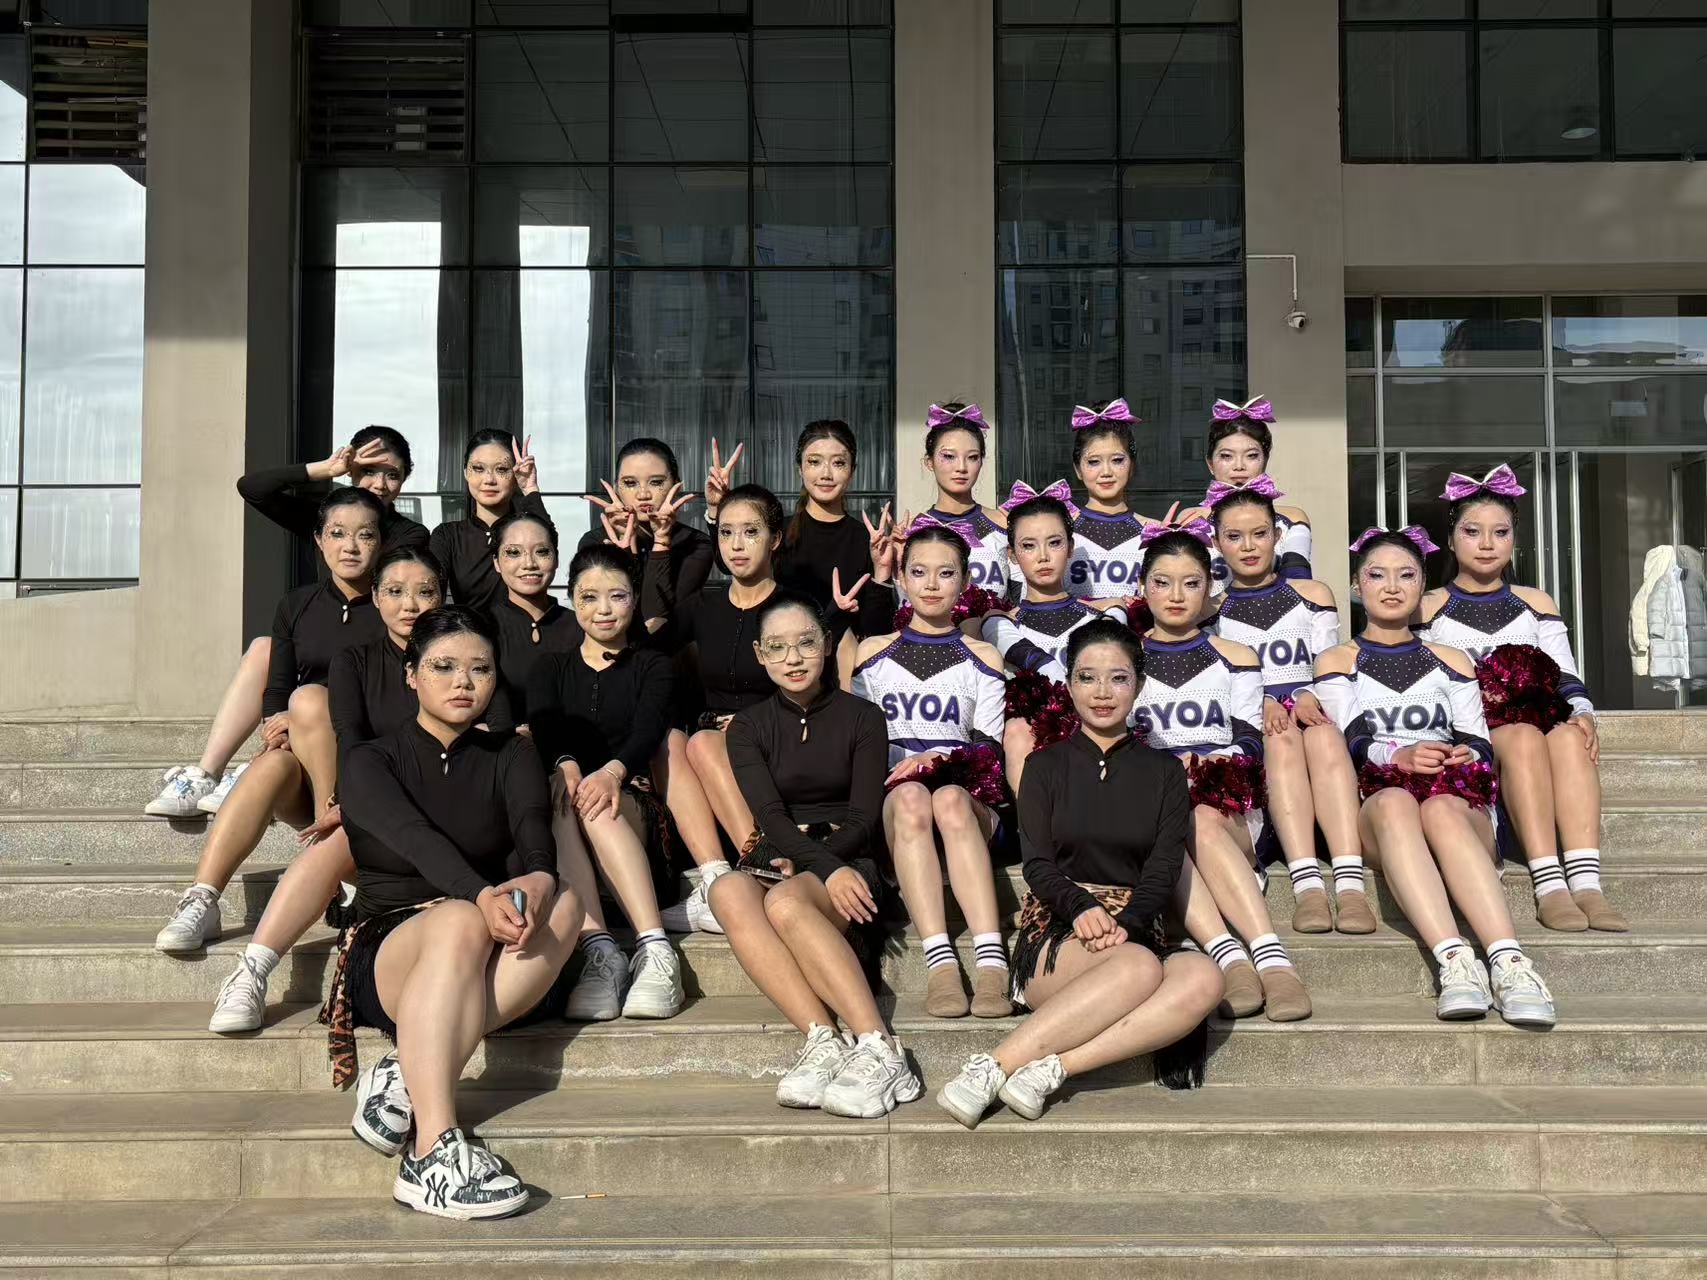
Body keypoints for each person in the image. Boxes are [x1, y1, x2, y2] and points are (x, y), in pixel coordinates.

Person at [323, 605, 580, 1220]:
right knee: (462, 917)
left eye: (480, 669)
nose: (463, 682)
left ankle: (406, 1067)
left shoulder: (511, 753)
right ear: (411, 674)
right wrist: (479, 894)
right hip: (387, 945)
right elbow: (415, 841)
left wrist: (539, 879)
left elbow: (532, 830)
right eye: (443, 667)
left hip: (480, 942)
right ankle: (430, 1152)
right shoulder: (368, 760)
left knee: (566, 901)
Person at [935, 619, 1224, 1128]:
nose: (1102, 692)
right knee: (1138, 969)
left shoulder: (1164, 773)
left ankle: (1053, 1068)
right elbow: (1037, 865)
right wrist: (1082, 908)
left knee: (1203, 976)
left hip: (1135, 930)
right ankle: (992, 1067)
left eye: (1118, 678)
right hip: (1057, 932)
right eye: (1087, 677)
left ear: (1139, 684)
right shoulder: (1044, 766)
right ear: (1069, 685)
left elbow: (1163, 868)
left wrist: (1128, 923)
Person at [1313, 527, 1557, 1027]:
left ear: (1422, 586)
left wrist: (1464, 756)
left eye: (1406, 575)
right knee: (1396, 801)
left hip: (1455, 804)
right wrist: (1399, 755)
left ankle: (1511, 964)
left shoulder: (1451, 659)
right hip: (1382, 808)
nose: (1391, 587)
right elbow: (1355, 740)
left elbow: (1480, 742)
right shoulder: (1337, 660)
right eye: (1376, 575)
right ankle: (1456, 963)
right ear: (1357, 585)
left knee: (1441, 807)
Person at [205, 545, 453, 1033]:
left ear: (442, 597)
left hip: (447, 813)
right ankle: (252, 969)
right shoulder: (354, 662)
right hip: (383, 812)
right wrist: (359, 803)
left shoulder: (462, 657)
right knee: (336, 837)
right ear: (375, 598)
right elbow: (354, 747)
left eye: (425, 592)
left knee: (349, 833)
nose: (410, 605)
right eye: (395, 592)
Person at [144, 426, 426, 819]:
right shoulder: (328, 521)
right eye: (367, 471)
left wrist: (294, 713)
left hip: (362, 673)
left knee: (306, 694)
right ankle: (206, 773)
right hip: (316, 660)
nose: (378, 483)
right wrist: (324, 469)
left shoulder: (407, 536)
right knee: (264, 648)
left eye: (391, 474)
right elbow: (253, 488)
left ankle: (260, 772)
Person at [714, 592, 923, 1117]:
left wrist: (823, 864)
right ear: (760, 654)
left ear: (827, 645)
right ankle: (822, 1038)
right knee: (728, 889)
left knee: (786, 902)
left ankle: (880, 1047)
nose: (793, 658)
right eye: (777, 647)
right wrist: (808, 861)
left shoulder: (864, 717)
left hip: (848, 851)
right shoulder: (748, 727)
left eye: (806, 643)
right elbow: (770, 816)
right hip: (782, 846)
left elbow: (864, 817)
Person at [155, 489, 387, 953]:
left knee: (311, 699)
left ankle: (334, 846)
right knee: (272, 762)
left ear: (381, 541)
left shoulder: (395, 604)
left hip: (369, 766)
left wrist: (307, 711)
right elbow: (276, 689)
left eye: (365, 535)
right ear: (319, 540)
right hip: (311, 760)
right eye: (337, 534)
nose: (350, 546)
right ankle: (203, 897)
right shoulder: (297, 605)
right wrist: (277, 726)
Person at [1417, 466, 1627, 933]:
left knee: (1568, 736)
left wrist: (1583, 713)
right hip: (1471, 739)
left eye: (1500, 532)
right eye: (1472, 532)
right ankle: (1549, 884)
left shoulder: (1536, 601)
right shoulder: (1428, 605)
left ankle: (1587, 883)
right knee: (1523, 735)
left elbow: (1565, 674)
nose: (1486, 544)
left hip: (1535, 729)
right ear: (1450, 539)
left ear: (1514, 539)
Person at [1132, 530, 1312, 1022]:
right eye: (1162, 582)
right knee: (1168, 821)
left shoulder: (1236, 655)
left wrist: (1204, 764)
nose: (1175, 595)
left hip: (1227, 810)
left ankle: (1274, 962)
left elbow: (1250, 743)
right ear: (1142, 586)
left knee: (1200, 818)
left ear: (1209, 589)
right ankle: (1230, 958)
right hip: (1153, 816)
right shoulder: (1123, 659)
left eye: (1190, 583)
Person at [851, 523, 1011, 1018]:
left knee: (946, 797)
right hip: (898, 810)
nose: (932, 584)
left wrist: (937, 761)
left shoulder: (983, 657)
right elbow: (858, 747)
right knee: (913, 796)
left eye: (946, 573)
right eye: (919, 572)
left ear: (965, 580)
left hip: (965, 806)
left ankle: (992, 962)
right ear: (901, 578)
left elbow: (990, 755)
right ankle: (940, 963)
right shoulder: (872, 652)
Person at [528, 544, 684, 1022]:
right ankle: (601, 953)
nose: (603, 609)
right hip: (570, 818)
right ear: (572, 599)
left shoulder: (654, 665)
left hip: (635, 811)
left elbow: (649, 729)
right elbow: (544, 725)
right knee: (563, 793)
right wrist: (567, 763)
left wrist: (612, 772)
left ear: (634, 598)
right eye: (589, 597)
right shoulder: (549, 667)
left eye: (616, 596)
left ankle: (656, 951)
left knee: (590, 801)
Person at [1210, 488, 1376, 936]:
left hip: (1312, 709)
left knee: (1323, 733)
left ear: (1278, 536)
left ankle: (1350, 885)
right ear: (1216, 542)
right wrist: (1261, 699)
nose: (1248, 546)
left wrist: (1307, 690)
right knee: (1281, 738)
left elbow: (1328, 662)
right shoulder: (1211, 608)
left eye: (1259, 533)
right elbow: (1216, 681)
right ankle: (1307, 885)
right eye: (1234, 536)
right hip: (1256, 723)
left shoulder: (1313, 593)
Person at [655, 484, 786, 936]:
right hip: (711, 742)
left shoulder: (791, 606)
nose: (736, 545)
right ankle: (715, 880)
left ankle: (765, 865)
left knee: (703, 743)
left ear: (775, 539)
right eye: (726, 532)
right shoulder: (704, 606)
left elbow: (812, 684)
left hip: (776, 735)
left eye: (750, 531)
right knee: (671, 741)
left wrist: (753, 721)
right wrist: (657, 546)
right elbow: (648, 642)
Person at [704, 421, 893, 660]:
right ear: (800, 469)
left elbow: (878, 631)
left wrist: (883, 571)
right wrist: (716, 508)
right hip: (778, 661)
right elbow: (728, 563)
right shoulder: (778, 531)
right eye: (814, 462)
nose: (826, 474)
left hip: (842, 666)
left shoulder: (868, 540)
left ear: (852, 470)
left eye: (838, 463)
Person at [984, 491, 1126, 793]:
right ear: (1012, 555)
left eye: (1054, 542)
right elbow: (1038, 663)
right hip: (1035, 764)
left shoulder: (1107, 613)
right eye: (1028, 545)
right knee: (1017, 729)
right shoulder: (998, 623)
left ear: (1071, 547)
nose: (1043, 556)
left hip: (1099, 750)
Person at [1179, 396, 1313, 590]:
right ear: (1210, 463)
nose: (1239, 466)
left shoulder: (1292, 518)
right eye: (1227, 456)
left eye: (1251, 456)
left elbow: (1301, 586)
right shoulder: (1191, 519)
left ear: (1265, 460)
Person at [583, 436, 710, 633]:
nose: (643, 495)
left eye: (656, 482)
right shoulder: (594, 542)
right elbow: (610, 619)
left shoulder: (696, 544)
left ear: (676, 484)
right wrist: (627, 547)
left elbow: (655, 623)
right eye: (630, 483)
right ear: (616, 488)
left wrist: (661, 542)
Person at [428, 430, 551, 617]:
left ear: (515, 473)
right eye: (478, 469)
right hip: (470, 633)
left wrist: (530, 489)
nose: (489, 480)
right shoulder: (448, 535)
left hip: (527, 631)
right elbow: (430, 593)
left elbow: (549, 545)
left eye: (501, 469)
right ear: (465, 472)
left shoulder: (528, 530)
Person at [486, 510, 579, 730]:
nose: (529, 563)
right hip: (503, 744)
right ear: (496, 562)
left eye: (542, 552)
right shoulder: (481, 626)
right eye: (513, 553)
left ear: (556, 558)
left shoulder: (581, 625)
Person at [914, 402, 1011, 598]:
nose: (961, 467)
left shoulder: (1004, 525)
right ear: (929, 462)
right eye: (949, 456)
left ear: (981, 462)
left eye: (972, 457)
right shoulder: (915, 529)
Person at [1064, 398, 1155, 599]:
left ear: (1132, 465)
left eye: (1117, 460)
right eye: (1094, 462)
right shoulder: (1059, 532)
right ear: (1077, 469)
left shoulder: (1154, 533)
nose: (1106, 472)